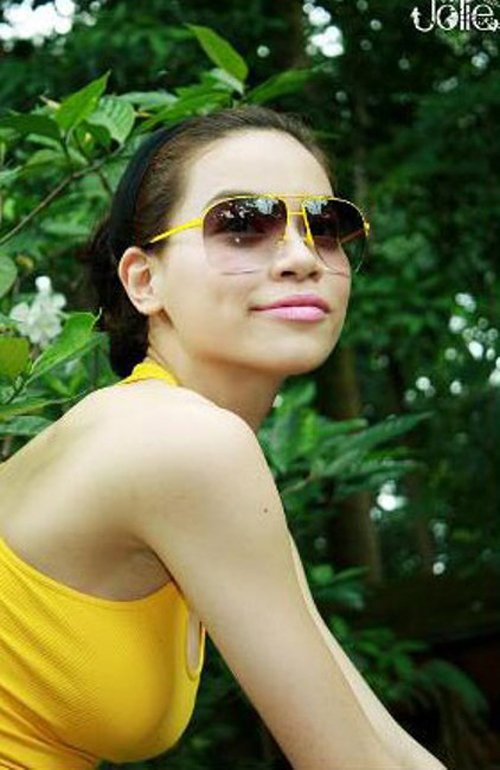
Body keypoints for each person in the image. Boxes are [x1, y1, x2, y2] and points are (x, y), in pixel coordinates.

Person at [0, 105, 446, 770]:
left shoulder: (186, 443)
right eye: (241, 225)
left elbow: (371, 730)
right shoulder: (183, 442)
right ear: (144, 281)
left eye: (325, 227)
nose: (302, 258)